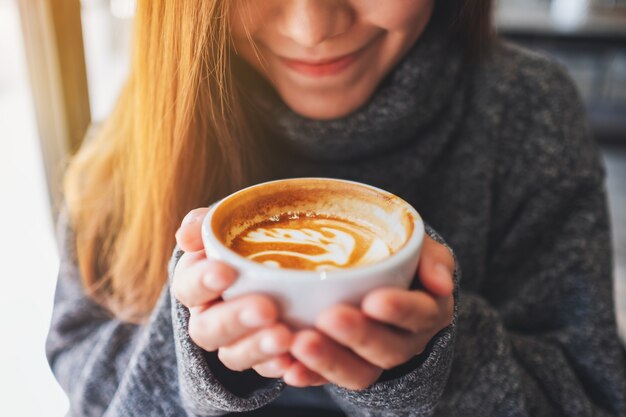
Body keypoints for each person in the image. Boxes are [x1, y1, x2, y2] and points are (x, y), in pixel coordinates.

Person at [47, 0, 626, 416]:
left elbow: (594, 395)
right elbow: (81, 377)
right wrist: (193, 364)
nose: (313, 27)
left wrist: (435, 365)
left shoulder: (530, 113)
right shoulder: (150, 117)